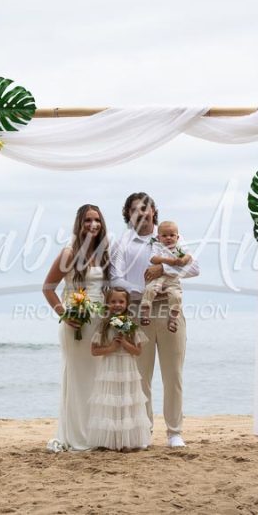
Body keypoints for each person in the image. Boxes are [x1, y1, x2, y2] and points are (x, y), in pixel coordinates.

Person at [109, 192, 199, 448]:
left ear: (153, 212)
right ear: (128, 213)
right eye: (136, 209)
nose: (142, 213)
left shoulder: (170, 235)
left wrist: (164, 269)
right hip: (140, 309)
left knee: (173, 374)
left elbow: (194, 267)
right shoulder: (123, 243)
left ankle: (174, 432)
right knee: (141, 376)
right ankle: (144, 430)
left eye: (146, 209)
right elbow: (115, 279)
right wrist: (142, 288)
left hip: (170, 309)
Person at [42, 204, 111, 452]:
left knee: (99, 379)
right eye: (87, 221)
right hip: (77, 325)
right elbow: (48, 288)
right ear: (79, 224)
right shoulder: (69, 254)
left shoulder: (105, 253)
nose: (93, 225)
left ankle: (98, 433)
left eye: (97, 220)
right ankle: (77, 435)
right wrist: (64, 313)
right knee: (78, 379)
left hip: (100, 324)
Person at [87, 288, 151, 451]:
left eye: (121, 301)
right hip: (110, 368)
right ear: (107, 304)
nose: (117, 305)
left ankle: (126, 441)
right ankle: (110, 440)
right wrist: (111, 347)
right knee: (111, 402)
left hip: (127, 368)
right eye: (113, 301)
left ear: (127, 304)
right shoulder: (103, 327)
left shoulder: (131, 326)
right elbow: (94, 351)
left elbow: (137, 351)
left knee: (126, 401)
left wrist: (124, 343)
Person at [140, 220, 193, 329]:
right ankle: (145, 313)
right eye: (164, 236)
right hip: (157, 277)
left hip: (172, 278)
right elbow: (153, 259)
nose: (168, 238)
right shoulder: (157, 246)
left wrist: (183, 260)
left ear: (177, 237)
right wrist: (170, 261)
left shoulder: (178, 248)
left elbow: (189, 256)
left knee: (176, 296)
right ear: (159, 238)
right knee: (149, 290)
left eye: (172, 235)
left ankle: (173, 320)